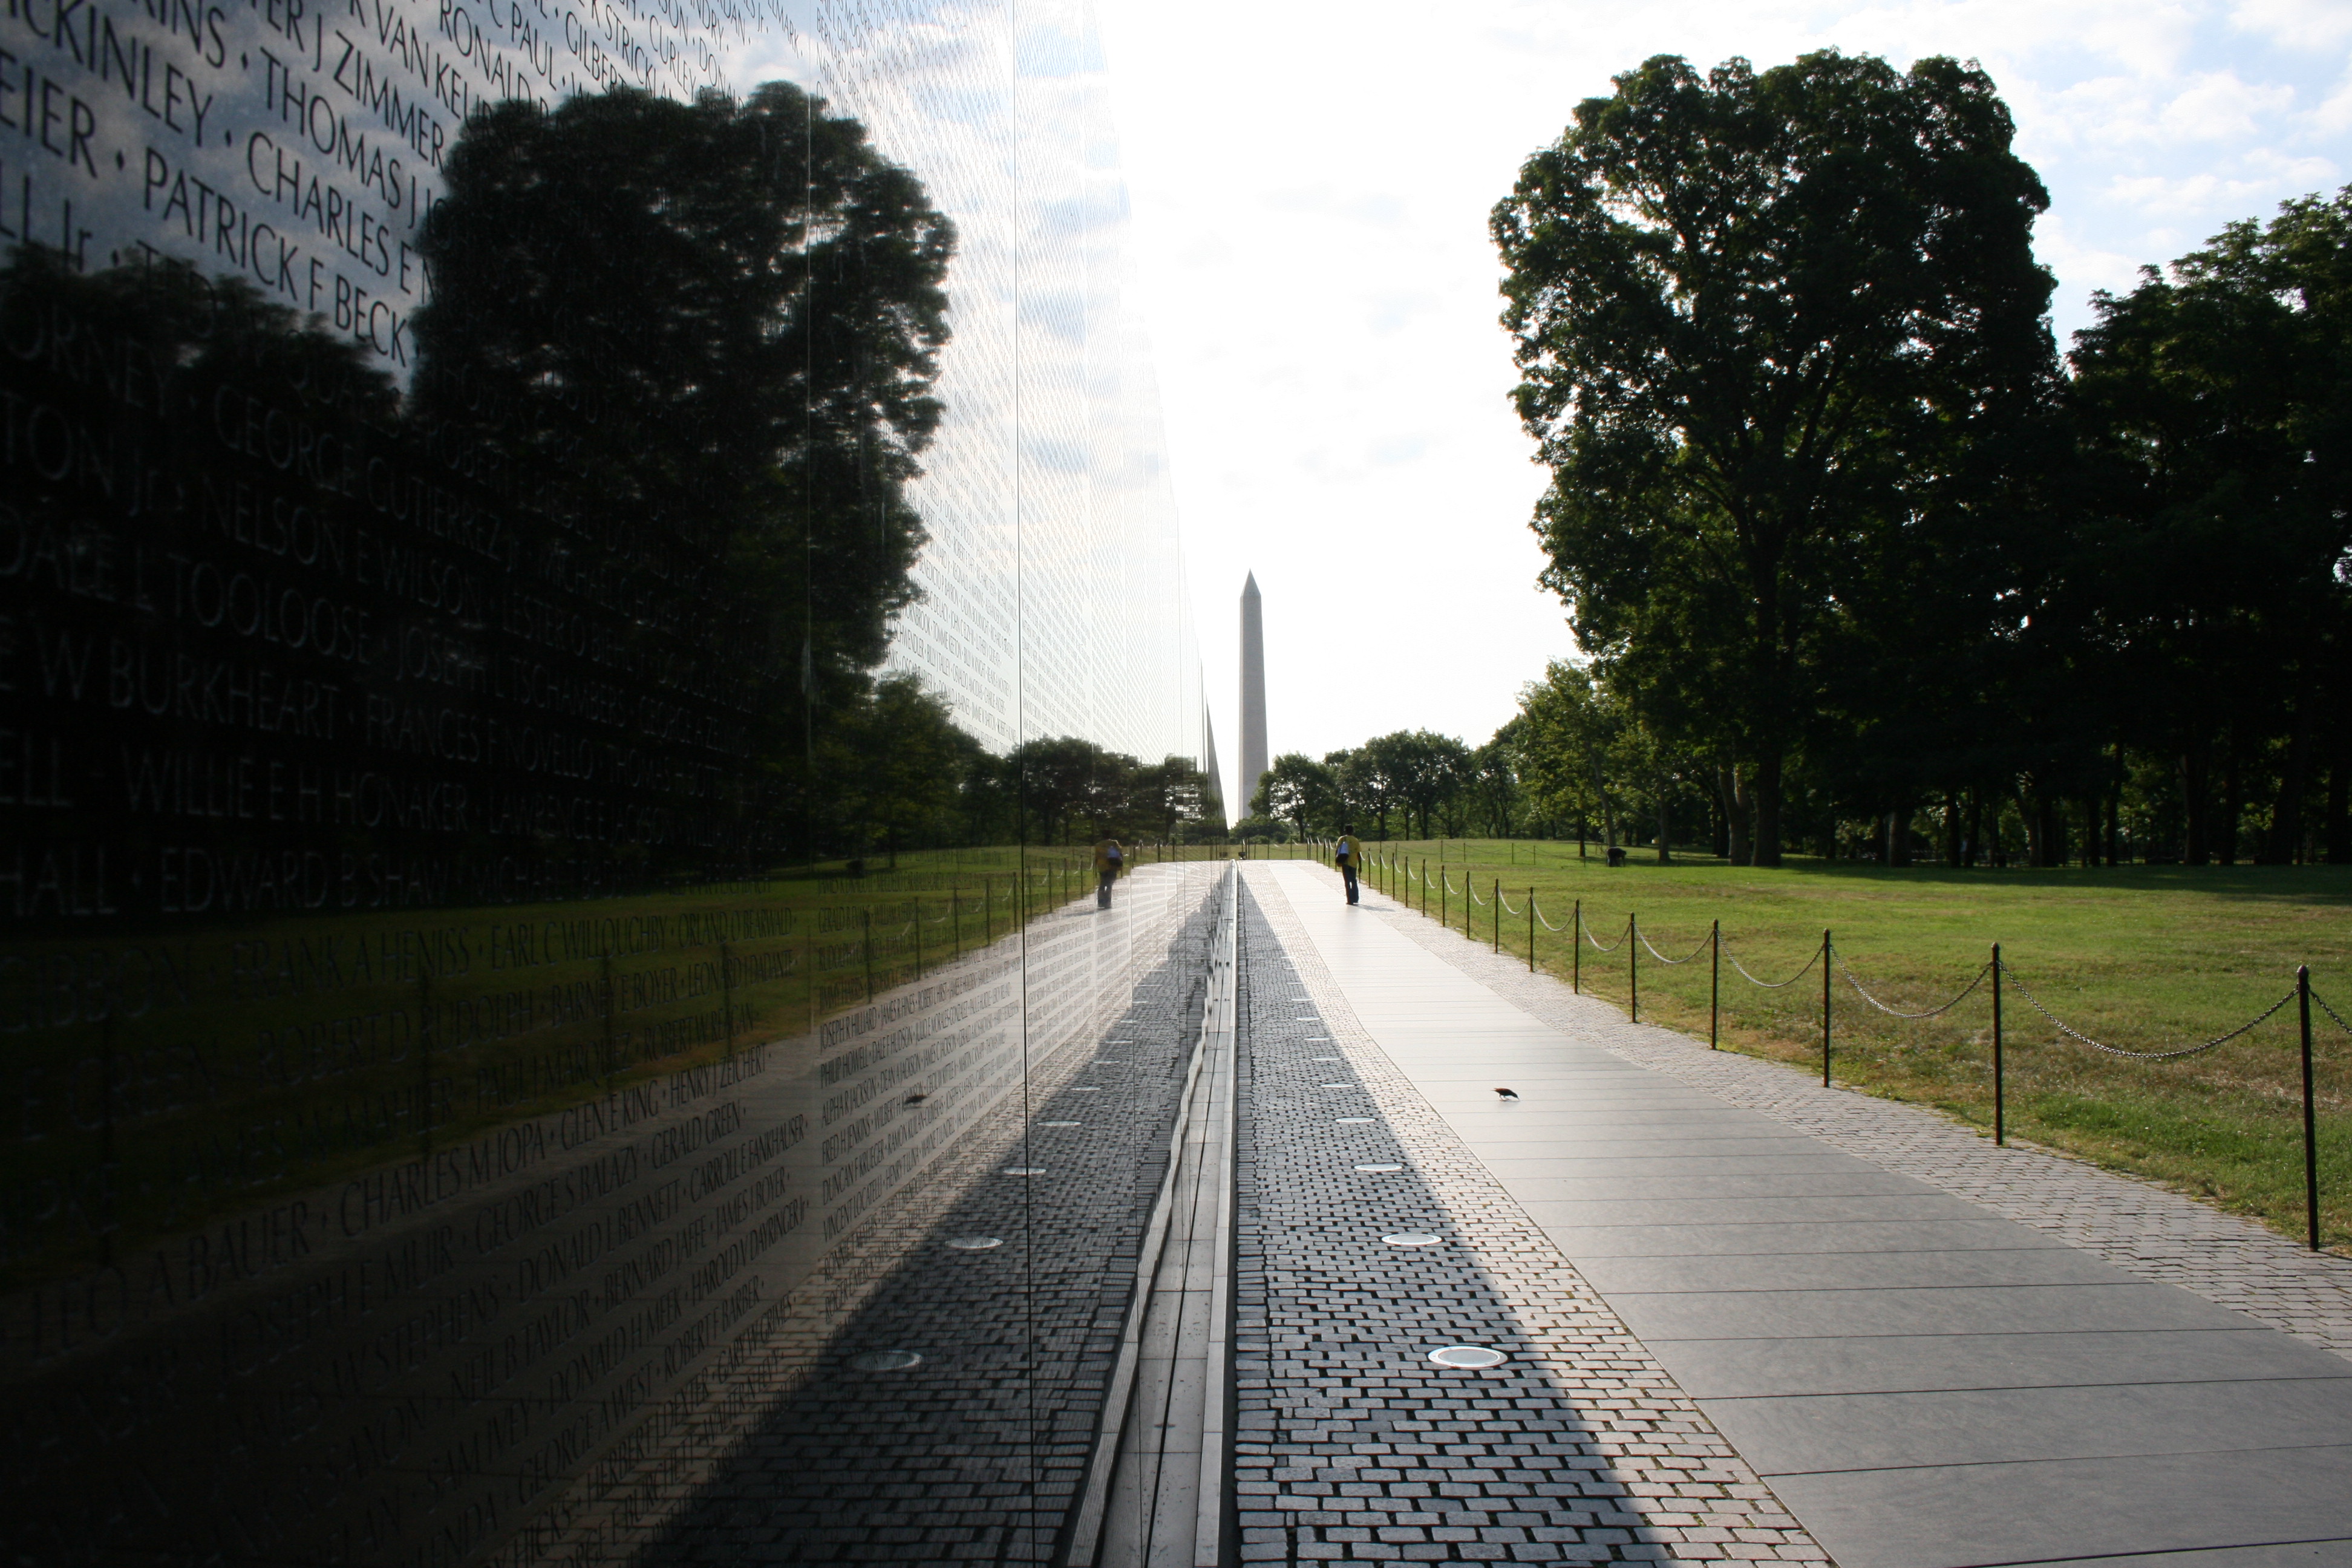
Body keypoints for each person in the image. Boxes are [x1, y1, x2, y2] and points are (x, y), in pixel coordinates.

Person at [1333, 829, 1362, 904]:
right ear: (1353, 831)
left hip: (1345, 862)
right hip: (1354, 863)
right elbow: (1358, 853)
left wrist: (1337, 860)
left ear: (1345, 831)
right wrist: (1360, 865)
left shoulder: (1342, 839)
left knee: (1347, 881)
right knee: (1354, 880)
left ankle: (1350, 900)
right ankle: (1356, 898)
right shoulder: (1356, 840)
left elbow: (1338, 850)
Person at [1094, 838, 1125, 908]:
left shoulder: (1099, 845)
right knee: (1109, 884)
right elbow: (1120, 853)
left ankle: (1101, 902)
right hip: (1112, 866)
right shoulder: (1114, 843)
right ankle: (1107, 903)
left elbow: (1096, 857)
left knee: (1102, 884)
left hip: (1102, 867)